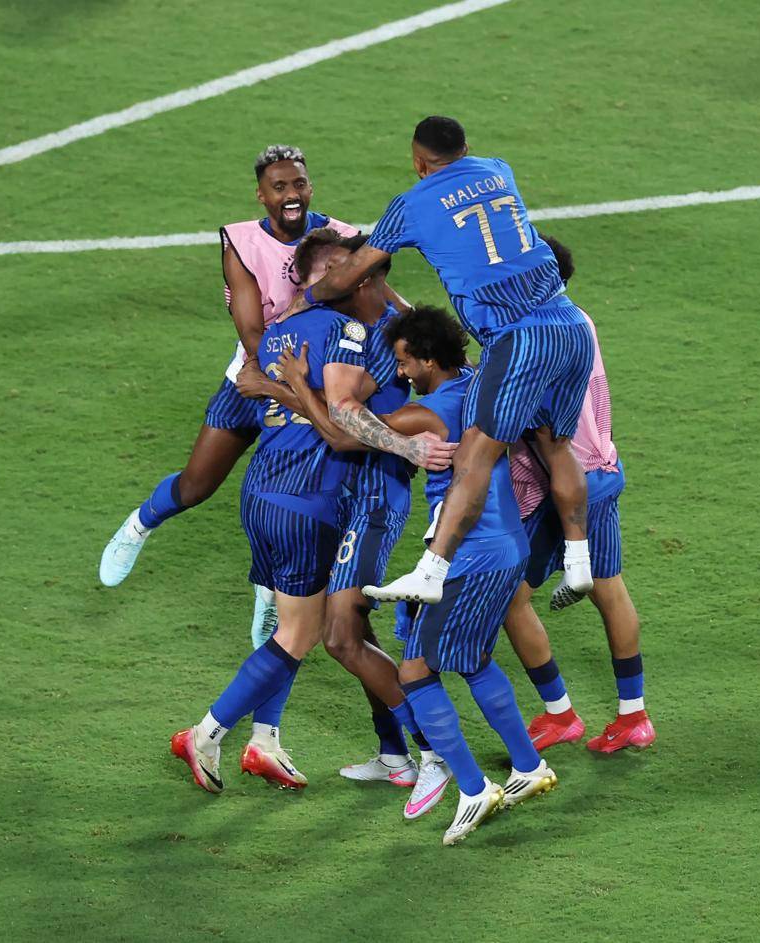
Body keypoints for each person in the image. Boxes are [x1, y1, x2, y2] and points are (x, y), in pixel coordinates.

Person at [280, 116, 594, 611]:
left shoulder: (412, 204)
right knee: (555, 444)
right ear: (465, 149)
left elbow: (351, 273)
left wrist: (306, 300)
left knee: (474, 453)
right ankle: (579, 564)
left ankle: (431, 571)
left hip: (519, 336)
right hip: (570, 323)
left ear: (418, 161)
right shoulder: (498, 169)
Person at [171, 238, 450, 794]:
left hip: (265, 491)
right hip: (325, 497)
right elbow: (342, 425)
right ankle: (209, 732)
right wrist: (406, 445)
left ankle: (301, 743)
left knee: (336, 629)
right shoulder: (357, 335)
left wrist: (283, 384)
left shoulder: (279, 331)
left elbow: (271, 393)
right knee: (321, 633)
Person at [98, 144, 358, 643]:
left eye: (298, 184)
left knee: (291, 500)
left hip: (318, 383)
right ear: (261, 195)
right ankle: (138, 526)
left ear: (311, 187)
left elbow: (378, 298)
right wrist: (284, 385)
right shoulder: (241, 243)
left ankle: (270, 596)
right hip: (254, 378)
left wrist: (425, 333)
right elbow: (253, 333)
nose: (291, 194)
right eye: (279, 187)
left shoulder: (342, 237)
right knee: (197, 485)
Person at [365, 306, 557, 845]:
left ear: (428, 360)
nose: (400, 372)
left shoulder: (429, 412)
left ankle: (474, 789)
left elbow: (343, 431)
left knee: (414, 672)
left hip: (470, 555)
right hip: (507, 545)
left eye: (404, 362)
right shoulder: (475, 382)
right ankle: (529, 766)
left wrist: (283, 388)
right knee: (472, 660)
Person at [504, 236, 656, 753]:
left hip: (565, 485)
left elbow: (517, 415)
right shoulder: (577, 319)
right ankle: (634, 716)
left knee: (510, 598)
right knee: (609, 589)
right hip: (603, 469)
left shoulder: (539, 334)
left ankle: (560, 714)